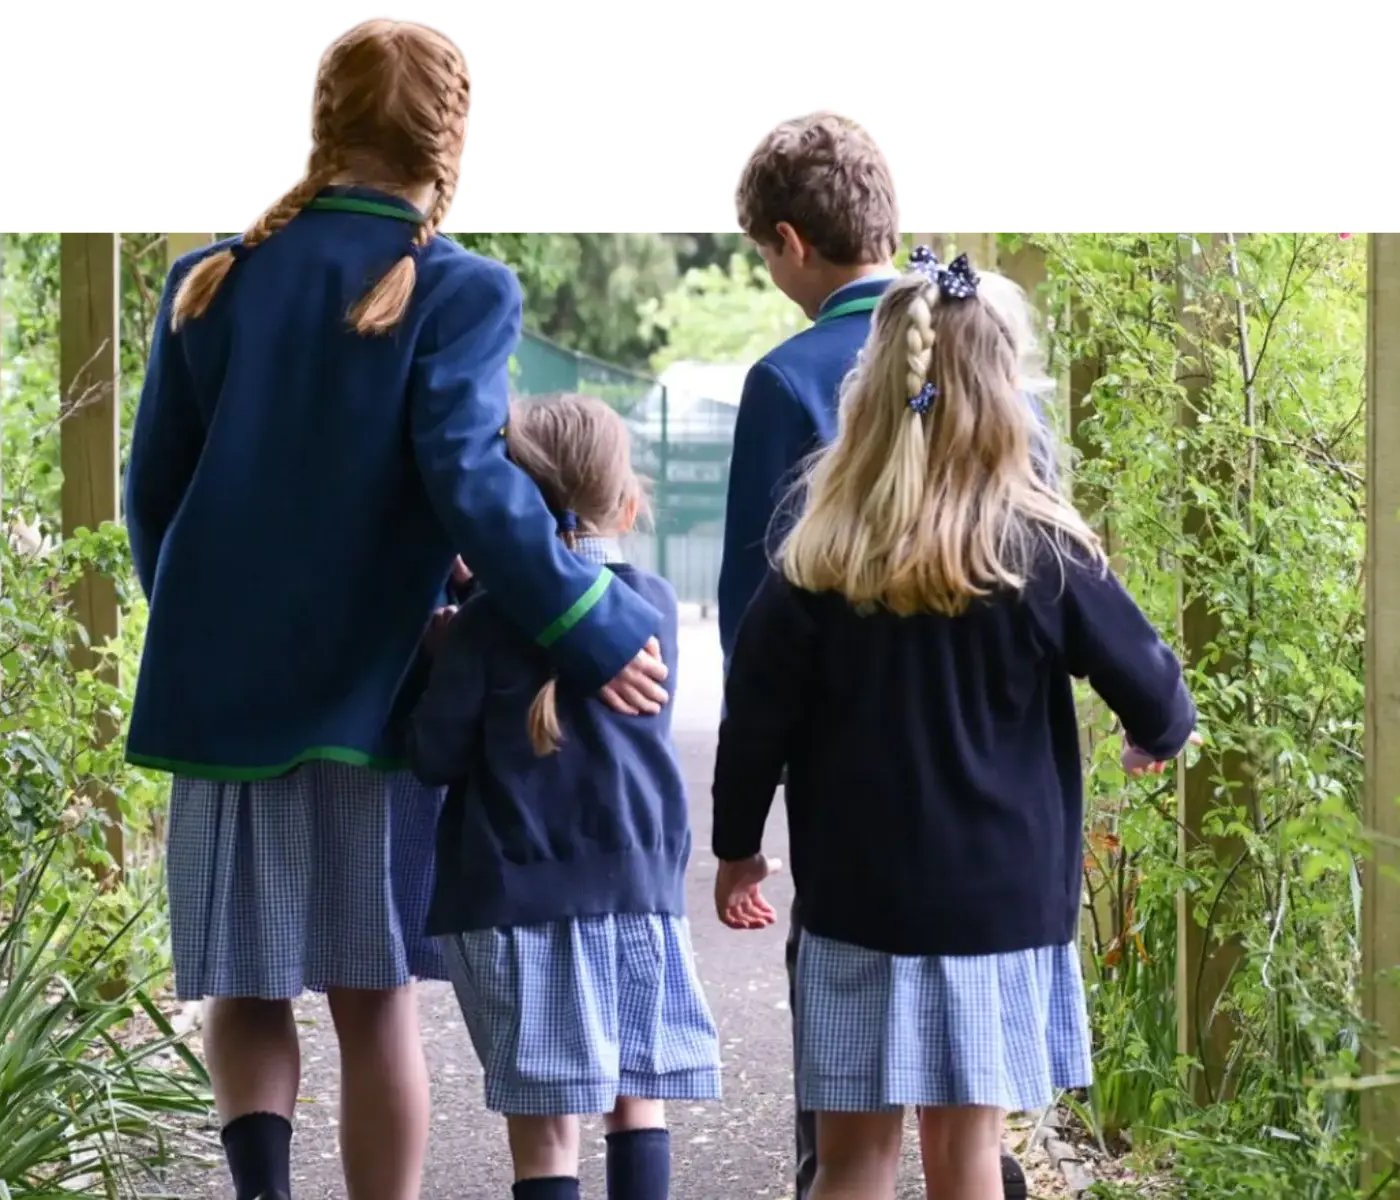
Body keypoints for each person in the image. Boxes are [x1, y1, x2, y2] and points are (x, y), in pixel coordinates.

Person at [122, 16, 671, 1200]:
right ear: (450, 138)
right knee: (373, 1004)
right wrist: (590, 623)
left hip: (223, 708)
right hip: (376, 696)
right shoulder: (457, 290)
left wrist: (210, 628)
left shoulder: (210, 279)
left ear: (320, 126)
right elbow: (471, 481)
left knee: (248, 985)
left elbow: (149, 500)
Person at [708, 257, 1200, 1200]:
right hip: (998, 909)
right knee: (966, 1155)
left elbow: (754, 717)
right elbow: (1149, 682)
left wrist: (738, 849)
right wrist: (1158, 734)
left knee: (852, 1159)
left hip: (858, 908)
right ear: (1005, 396)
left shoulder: (817, 558)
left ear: (871, 395)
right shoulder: (1040, 549)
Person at [719, 106, 1036, 1200]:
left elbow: (752, 605)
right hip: (994, 799)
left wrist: (744, 814)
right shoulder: (987, 349)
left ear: (790, 245)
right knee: (967, 1093)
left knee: (849, 1091)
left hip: (848, 791)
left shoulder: (787, 381)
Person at [408, 394, 724, 1200]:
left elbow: (434, 756)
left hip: (513, 896)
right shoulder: (651, 604)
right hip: (636, 889)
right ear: (627, 502)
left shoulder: (480, 625)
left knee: (547, 1135)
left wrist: (434, 657)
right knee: (636, 1096)